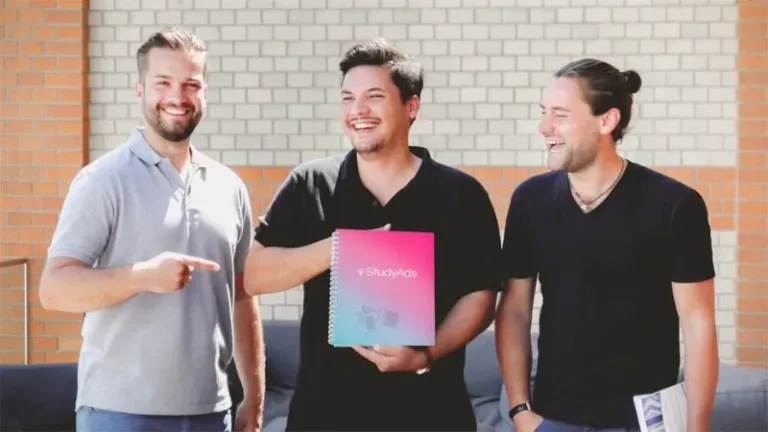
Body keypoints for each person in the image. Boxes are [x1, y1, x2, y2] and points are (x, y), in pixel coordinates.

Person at [244, 39, 501, 431]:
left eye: (374, 97)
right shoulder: (311, 184)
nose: (357, 110)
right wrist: (340, 248)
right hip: (325, 417)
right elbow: (255, 275)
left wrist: (426, 354)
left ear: (411, 106)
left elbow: (481, 296)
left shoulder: (461, 194)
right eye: (348, 98)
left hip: (431, 415)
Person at [39, 26, 265, 432]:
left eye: (191, 84)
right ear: (140, 89)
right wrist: (141, 276)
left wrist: (254, 396)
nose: (178, 96)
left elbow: (243, 295)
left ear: (205, 93)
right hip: (119, 413)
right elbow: (54, 289)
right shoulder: (102, 180)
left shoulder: (229, 187)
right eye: (163, 82)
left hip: (211, 412)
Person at [495, 58, 719, 432]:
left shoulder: (675, 205)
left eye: (560, 115)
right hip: (552, 419)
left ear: (607, 121)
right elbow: (515, 310)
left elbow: (698, 323)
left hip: (644, 420)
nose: (544, 127)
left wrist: (696, 429)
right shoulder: (529, 200)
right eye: (544, 113)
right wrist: (521, 411)